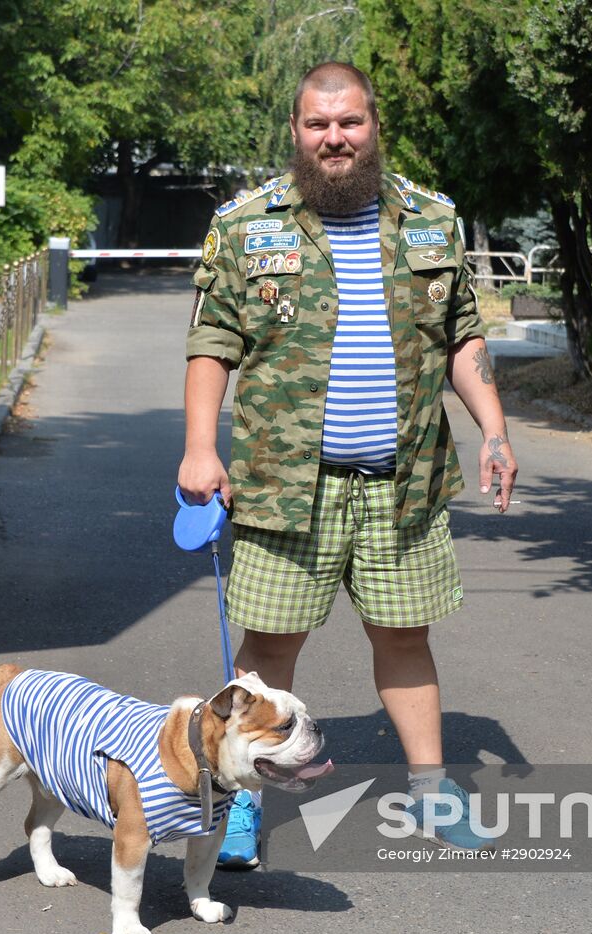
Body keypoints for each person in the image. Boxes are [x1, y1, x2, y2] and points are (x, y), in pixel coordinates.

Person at [178, 62, 518, 868]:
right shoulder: (246, 223)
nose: (335, 137)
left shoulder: (432, 221)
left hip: (400, 488)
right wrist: (199, 447)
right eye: (318, 124)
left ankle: (434, 788)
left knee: (405, 637)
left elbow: (463, 336)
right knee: (267, 653)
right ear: (295, 131)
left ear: (373, 125)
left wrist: (495, 430)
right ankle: (238, 802)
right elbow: (211, 342)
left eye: (350, 122)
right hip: (287, 486)